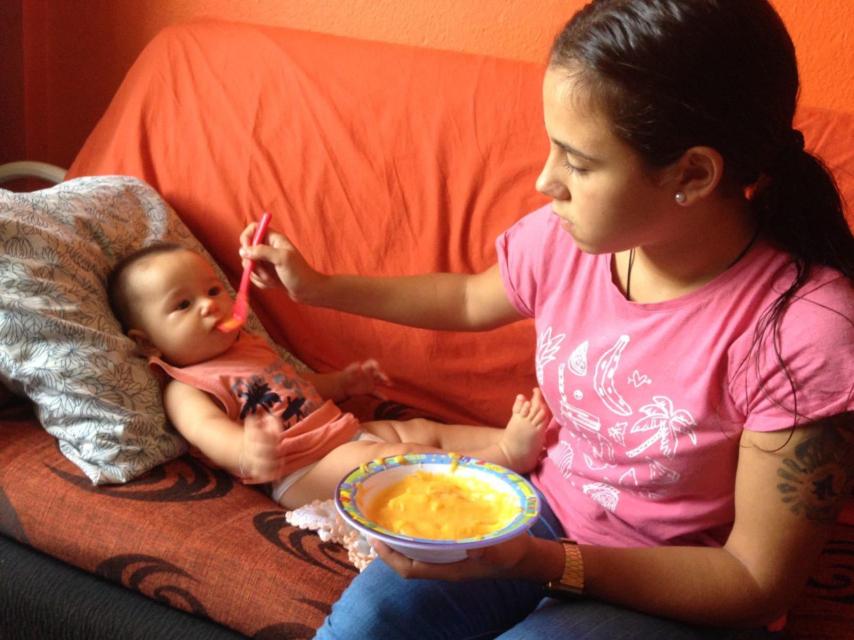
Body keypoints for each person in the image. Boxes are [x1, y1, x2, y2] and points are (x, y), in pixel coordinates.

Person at [237, 0, 854, 637]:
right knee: (364, 627)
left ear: (692, 174)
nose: (545, 181)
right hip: (541, 515)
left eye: (578, 164)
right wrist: (319, 288)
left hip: (675, 583)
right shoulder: (573, 240)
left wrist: (541, 563)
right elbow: (468, 299)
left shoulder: (804, 331)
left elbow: (754, 581)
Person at [107, 243, 550, 509]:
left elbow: (298, 386)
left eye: (212, 290)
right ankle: (504, 457)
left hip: (342, 433)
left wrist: (342, 383)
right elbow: (208, 433)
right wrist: (247, 450)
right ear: (148, 343)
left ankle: (534, 446)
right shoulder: (185, 388)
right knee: (401, 459)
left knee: (420, 430)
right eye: (183, 305)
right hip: (302, 470)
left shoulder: (248, 346)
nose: (209, 305)